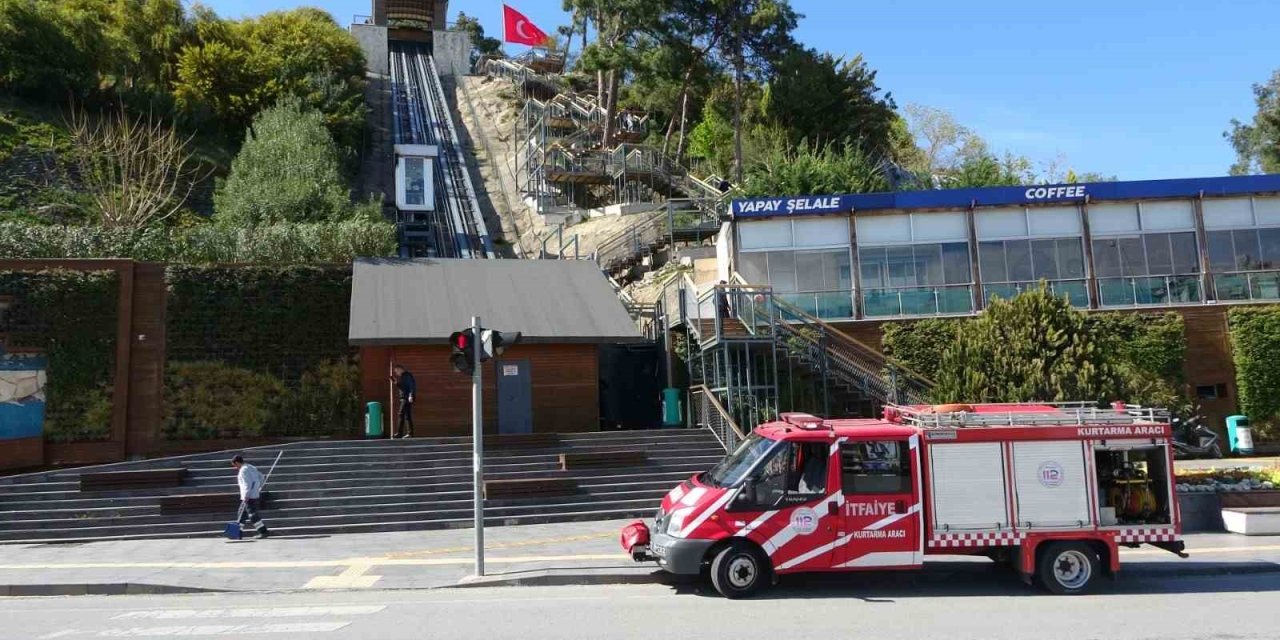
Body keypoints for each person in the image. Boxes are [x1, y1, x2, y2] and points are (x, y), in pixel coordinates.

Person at [231, 455, 269, 539]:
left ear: (237, 463)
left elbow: (247, 484)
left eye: (235, 465)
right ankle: (238, 533)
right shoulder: (251, 467)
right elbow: (262, 477)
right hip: (253, 494)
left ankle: (263, 531)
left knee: (252, 515)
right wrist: (258, 487)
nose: (235, 467)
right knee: (241, 513)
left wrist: (246, 496)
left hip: (248, 496)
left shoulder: (243, 471)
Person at [391, 364, 417, 439]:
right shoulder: (403, 377)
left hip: (406, 398)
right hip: (404, 398)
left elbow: (412, 385)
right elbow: (403, 388)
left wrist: (411, 395)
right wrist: (396, 383)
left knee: (401, 414)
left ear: (400, 369)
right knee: (406, 416)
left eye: (396, 371)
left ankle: (401, 433)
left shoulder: (407, 376)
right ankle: (409, 433)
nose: (396, 373)